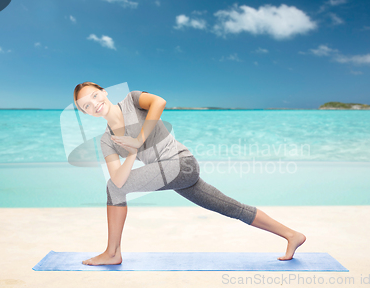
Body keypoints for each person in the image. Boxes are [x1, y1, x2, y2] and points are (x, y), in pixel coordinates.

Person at [73, 82, 306, 266]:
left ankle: (113, 253)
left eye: (94, 96)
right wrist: (132, 154)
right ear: (86, 114)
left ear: (103, 92)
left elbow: (159, 102)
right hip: (171, 175)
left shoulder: (132, 100)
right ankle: (291, 235)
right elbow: (119, 179)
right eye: (86, 106)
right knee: (229, 207)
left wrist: (138, 140)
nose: (93, 104)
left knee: (113, 188)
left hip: (182, 165)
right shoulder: (107, 141)